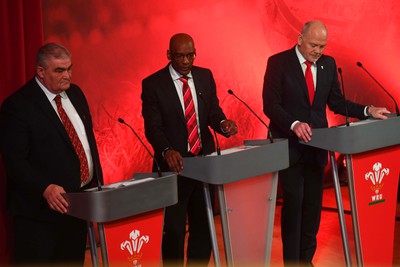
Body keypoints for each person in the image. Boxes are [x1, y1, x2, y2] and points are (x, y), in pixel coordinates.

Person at [262, 20, 389, 266]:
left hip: (317, 148)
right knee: (294, 205)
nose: (318, 51)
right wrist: (294, 124)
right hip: (289, 147)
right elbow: (271, 105)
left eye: (322, 46)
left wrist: (367, 109)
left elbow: (337, 103)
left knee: (312, 209)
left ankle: (306, 261)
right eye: (313, 45)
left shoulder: (328, 65)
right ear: (300, 39)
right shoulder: (278, 63)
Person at [0, 43, 103, 266]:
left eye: (70, 68)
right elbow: (14, 160)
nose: (68, 76)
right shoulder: (18, 106)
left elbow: (86, 142)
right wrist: (45, 187)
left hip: (77, 206)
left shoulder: (75, 93)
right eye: (60, 70)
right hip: (39, 217)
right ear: (40, 71)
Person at [141, 33, 238, 266]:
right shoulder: (153, 84)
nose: (186, 61)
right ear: (169, 55)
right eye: (180, 56)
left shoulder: (205, 76)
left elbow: (212, 111)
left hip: (204, 164)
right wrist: (166, 151)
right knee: (174, 231)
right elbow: (153, 127)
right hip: (175, 168)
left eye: (190, 55)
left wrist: (223, 124)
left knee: (203, 227)